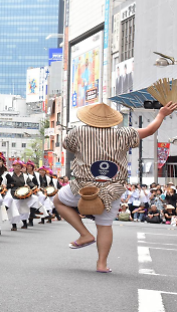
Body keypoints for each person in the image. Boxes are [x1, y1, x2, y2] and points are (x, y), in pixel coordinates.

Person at [55, 101, 177, 273]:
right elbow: (149, 130)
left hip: (83, 186)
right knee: (105, 224)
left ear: (88, 118)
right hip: (112, 187)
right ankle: (102, 264)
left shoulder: (79, 132)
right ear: (112, 120)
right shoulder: (124, 133)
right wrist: (161, 114)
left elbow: (67, 145)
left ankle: (84, 234)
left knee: (58, 200)